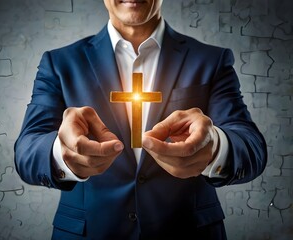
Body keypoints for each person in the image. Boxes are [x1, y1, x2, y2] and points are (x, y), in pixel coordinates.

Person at [14, 0, 267, 239]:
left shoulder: (211, 60)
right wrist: (64, 154)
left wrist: (215, 147)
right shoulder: (60, 63)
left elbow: (250, 145)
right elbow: (28, 148)